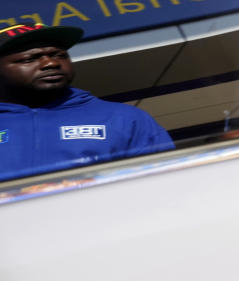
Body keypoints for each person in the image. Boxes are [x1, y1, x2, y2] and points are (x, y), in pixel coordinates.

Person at [0, 23, 174, 181]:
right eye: (30, 59)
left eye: (60, 55)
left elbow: (163, 184)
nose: (51, 63)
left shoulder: (124, 118)